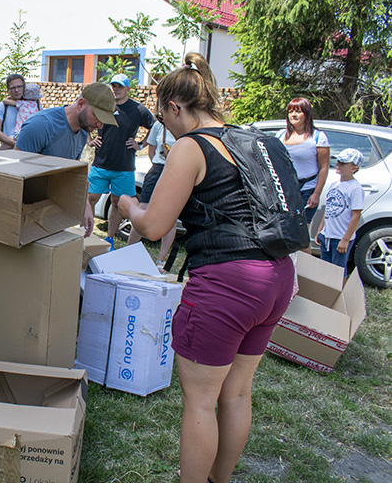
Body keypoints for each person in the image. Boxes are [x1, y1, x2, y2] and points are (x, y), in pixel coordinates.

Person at [118, 65, 295, 483]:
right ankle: (221, 478)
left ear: (174, 107)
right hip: (276, 276)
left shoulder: (191, 147)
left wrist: (127, 206)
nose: (165, 128)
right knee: (236, 392)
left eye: (162, 119)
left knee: (200, 402)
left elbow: (155, 226)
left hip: (226, 283)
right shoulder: (253, 139)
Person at [16, 82, 118, 237]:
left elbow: (73, 174)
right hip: (24, 212)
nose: (100, 125)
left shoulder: (83, 133)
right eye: (97, 116)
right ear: (81, 104)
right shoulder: (41, 125)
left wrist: (86, 207)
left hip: (53, 211)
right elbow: (13, 172)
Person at [86, 74, 155, 249]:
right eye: (113, 86)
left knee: (117, 202)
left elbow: (155, 126)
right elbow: (84, 119)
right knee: (90, 198)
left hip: (124, 166)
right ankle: (86, 234)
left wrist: (141, 144)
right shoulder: (104, 105)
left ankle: (109, 238)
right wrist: (89, 140)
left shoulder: (137, 109)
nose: (115, 89)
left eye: (119, 86)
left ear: (127, 89)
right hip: (101, 163)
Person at [127, 120, 177, 270]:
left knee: (170, 217)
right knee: (143, 210)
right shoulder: (158, 125)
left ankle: (161, 260)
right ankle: (127, 252)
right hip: (157, 170)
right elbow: (152, 150)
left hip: (176, 172)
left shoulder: (186, 124)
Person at [276, 97, 330, 227]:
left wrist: (316, 194)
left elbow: (324, 167)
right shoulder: (281, 135)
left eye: (298, 111)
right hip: (286, 189)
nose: (293, 115)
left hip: (307, 189)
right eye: (290, 112)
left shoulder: (317, 137)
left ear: (307, 114)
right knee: (286, 232)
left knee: (301, 233)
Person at [315, 148, 364, 277]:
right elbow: (328, 209)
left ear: (354, 168)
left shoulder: (355, 188)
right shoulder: (334, 184)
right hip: (327, 236)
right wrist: (321, 230)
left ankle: (338, 296)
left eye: (343, 163)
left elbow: (356, 216)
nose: (338, 164)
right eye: (338, 161)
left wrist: (346, 239)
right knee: (325, 269)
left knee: (338, 272)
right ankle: (325, 294)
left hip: (340, 238)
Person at [0, 74, 26, 150]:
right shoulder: (1, 106)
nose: (16, 90)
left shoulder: (34, 106)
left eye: (19, 87)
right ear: (8, 90)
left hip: (29, 153)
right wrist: (16, 144)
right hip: (8, 153)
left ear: (24, 88)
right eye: (13, 87)